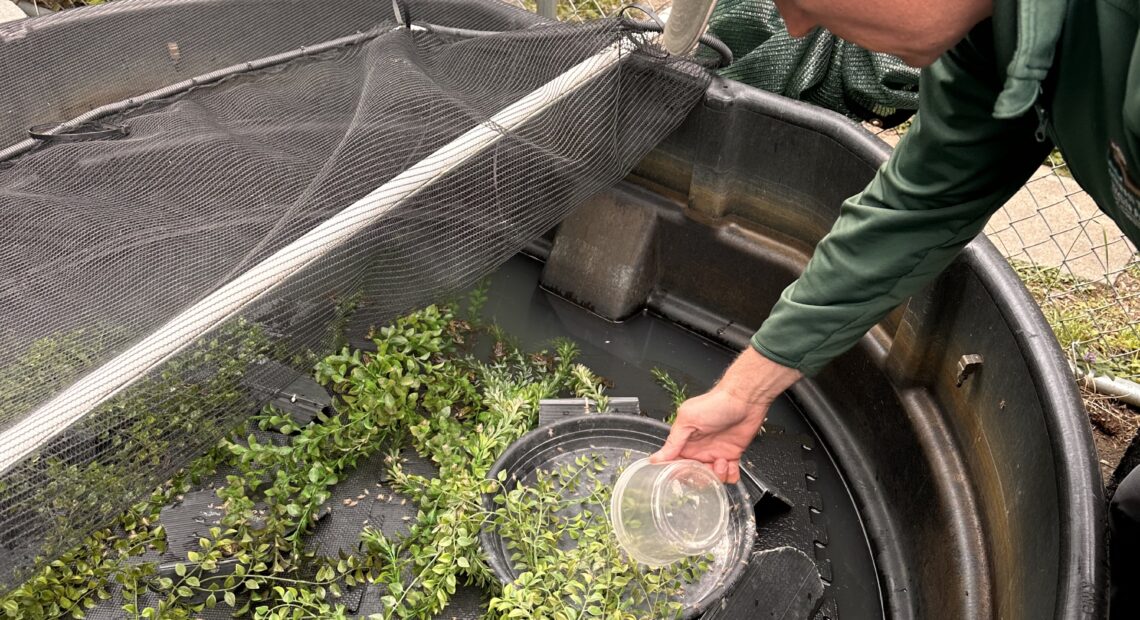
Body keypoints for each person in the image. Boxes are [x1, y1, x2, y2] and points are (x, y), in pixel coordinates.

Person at [648, 0, 1140, 616]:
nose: (796, 27)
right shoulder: (992, 33)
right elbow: (917, 207)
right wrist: (747, 388)